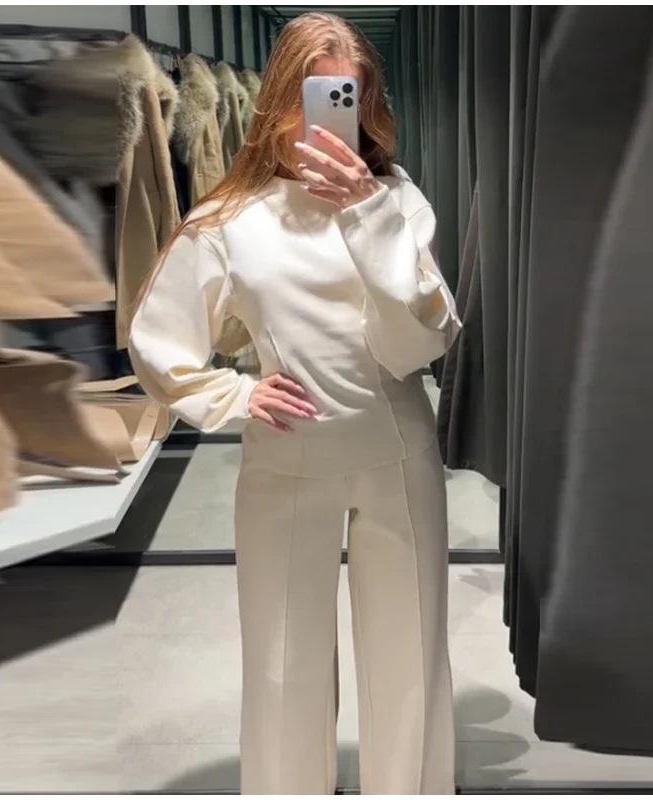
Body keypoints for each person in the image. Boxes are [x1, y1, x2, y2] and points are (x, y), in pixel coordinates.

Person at [129, 11, 462, 795]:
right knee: (283, 665)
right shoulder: (228, 219)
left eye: (351, 96)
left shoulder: (397, 201)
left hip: (398, 452)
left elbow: (421, 340)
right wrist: (236, 392)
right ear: (281, 99)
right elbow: (158, 340)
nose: (332, 118)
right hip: (286, 455)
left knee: (410, 656)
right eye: (317, 97)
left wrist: (366, 214)